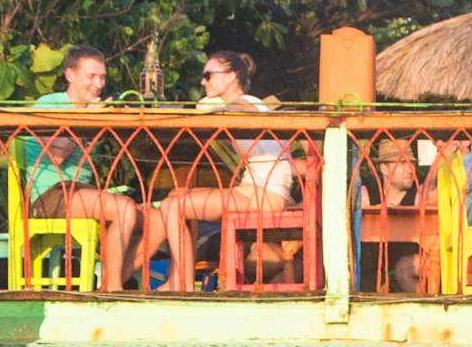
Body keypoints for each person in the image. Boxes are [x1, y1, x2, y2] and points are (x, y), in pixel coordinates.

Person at [148, 49, 308, 291]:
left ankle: (181, 283)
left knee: (174, 206)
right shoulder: (236, 104)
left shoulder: (246, 103)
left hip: (265, 194)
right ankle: (179, 276)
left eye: (209, 74)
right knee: (176, 197)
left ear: (232, 76)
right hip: (252, 189)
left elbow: (242, 111)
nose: (203, 81)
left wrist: (210, 112)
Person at [25, 44, 154, 282]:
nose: (99, 84)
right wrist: (88, 118)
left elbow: (135, 152)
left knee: (158, 221)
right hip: (50, 194)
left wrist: (124, 121)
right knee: (124, 208)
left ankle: (110, 281)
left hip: (85, 193)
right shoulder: (48, 104)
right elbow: (57, 156)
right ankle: (113, 289)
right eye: (92, 76)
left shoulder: (93, 110)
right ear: (70, 75)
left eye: (103, 77)